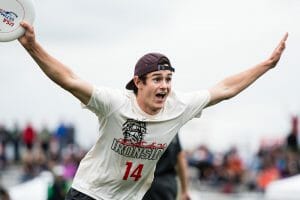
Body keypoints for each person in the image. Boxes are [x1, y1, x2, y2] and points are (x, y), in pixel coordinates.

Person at [17, 20, 287, 200]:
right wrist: (33, 47)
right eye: (157, 79)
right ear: (138, 82)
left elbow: (225, 89)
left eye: (168, 79)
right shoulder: (115, 103)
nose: (165, 86)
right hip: (90, 194)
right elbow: (69, 79)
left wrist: (266, 65)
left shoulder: (178, 106)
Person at [142, 134, 190, 200]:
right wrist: (185, 190)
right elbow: (181, 158)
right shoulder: (172, 128)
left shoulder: (148, 128)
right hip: (167, 184)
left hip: (148, 182)